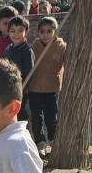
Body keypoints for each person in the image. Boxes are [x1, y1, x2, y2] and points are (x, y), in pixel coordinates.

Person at [25, 16, 66, 156]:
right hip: (35, 88)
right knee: (36, 117)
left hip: (52, 88)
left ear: (56, 31)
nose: (46, 34)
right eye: (42, 31)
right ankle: (40, 142)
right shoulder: (34, 47)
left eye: (49, 31)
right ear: (38, 33)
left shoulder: (62, 47)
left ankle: (53, 139)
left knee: (51, 116)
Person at [3, 16, 33, 124]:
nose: (16, 35)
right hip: (8, 87)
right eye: (13, 31)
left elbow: (29, 73)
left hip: (21, 88)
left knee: (20, 111)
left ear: (26, 31)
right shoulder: (8, 49)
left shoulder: (27, 51)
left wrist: (22, 89)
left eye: (20, 31)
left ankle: (23, 131)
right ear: (8, 32)